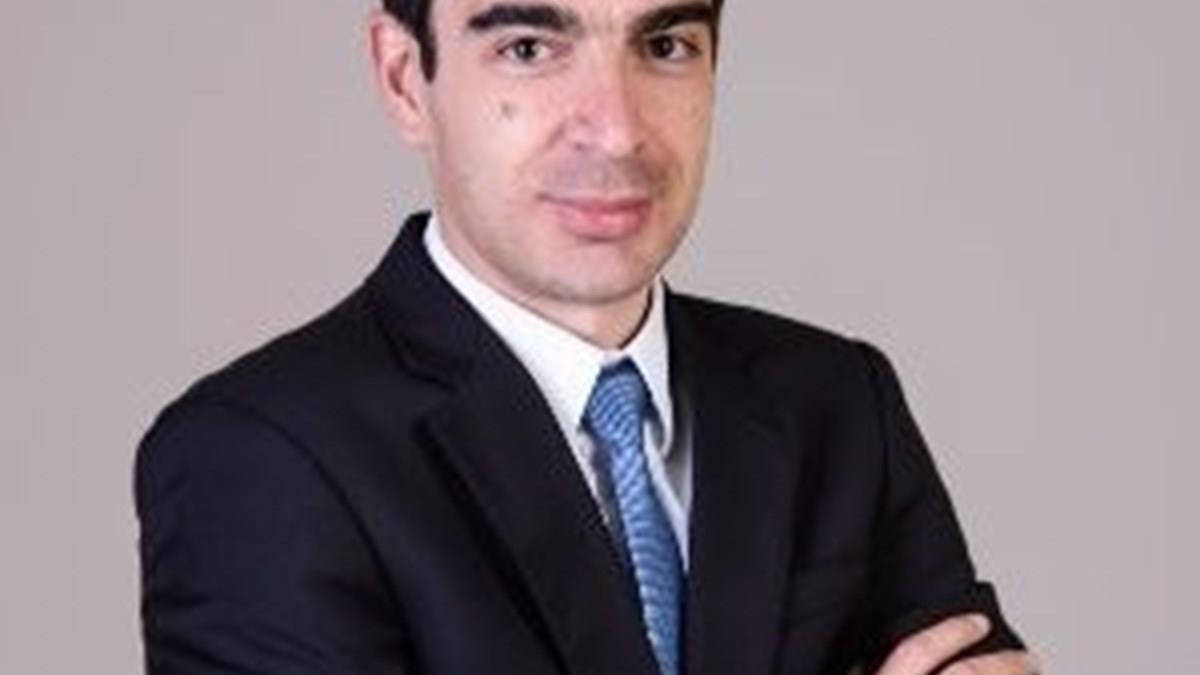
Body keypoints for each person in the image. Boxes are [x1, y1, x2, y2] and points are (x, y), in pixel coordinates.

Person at [135, 1, 1039, 673]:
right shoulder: (258, 459)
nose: (615, 129)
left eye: (665, 45)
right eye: (529, 48)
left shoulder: (839, 403)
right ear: (405, 78)